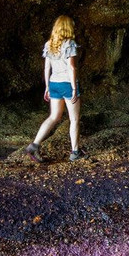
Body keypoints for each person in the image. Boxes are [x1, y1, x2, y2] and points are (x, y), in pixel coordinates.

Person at [25, 15, 87, 162]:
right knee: (74, 119)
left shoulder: (49, 44)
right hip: (67, 84)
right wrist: (73, 89)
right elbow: (71, 68)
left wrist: (47, 87)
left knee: (54, 116)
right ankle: (75, 153)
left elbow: (47, 67)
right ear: (68, 27)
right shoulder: (69, 44)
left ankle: (34, 146)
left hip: (54, 83)